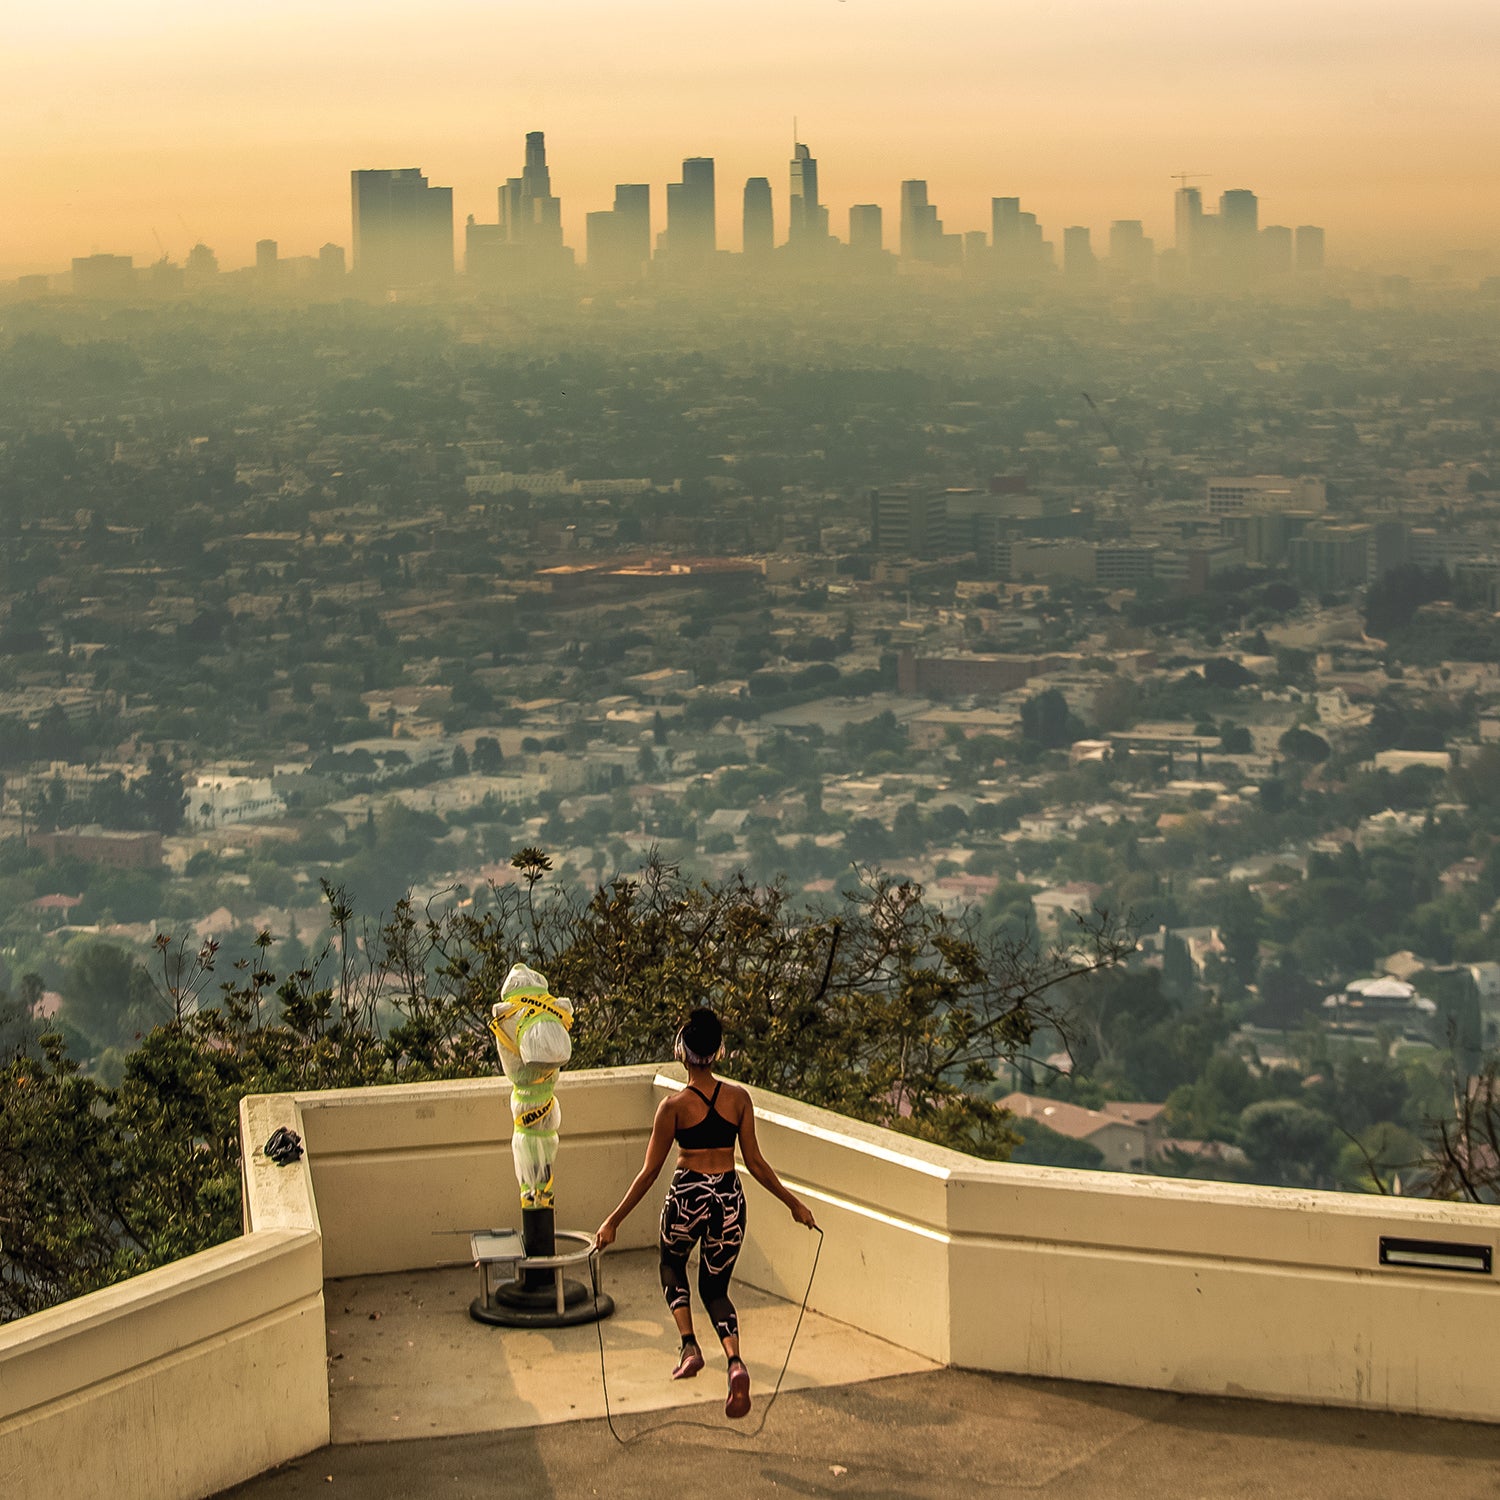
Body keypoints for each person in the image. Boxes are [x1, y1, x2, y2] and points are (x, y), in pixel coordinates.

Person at [593, 1007, 818, 1419]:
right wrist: (795, 1205)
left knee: (671, 1265)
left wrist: (613, 1221)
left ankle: (689, 1346)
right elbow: (757, 1163)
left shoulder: (672, 1107)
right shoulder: (739, 1100)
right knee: (715, 1290)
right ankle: (735, 1364)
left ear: (682, 1050)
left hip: (688, 1196)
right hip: (730, 1199)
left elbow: (649, 1173)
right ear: (718, 1051)